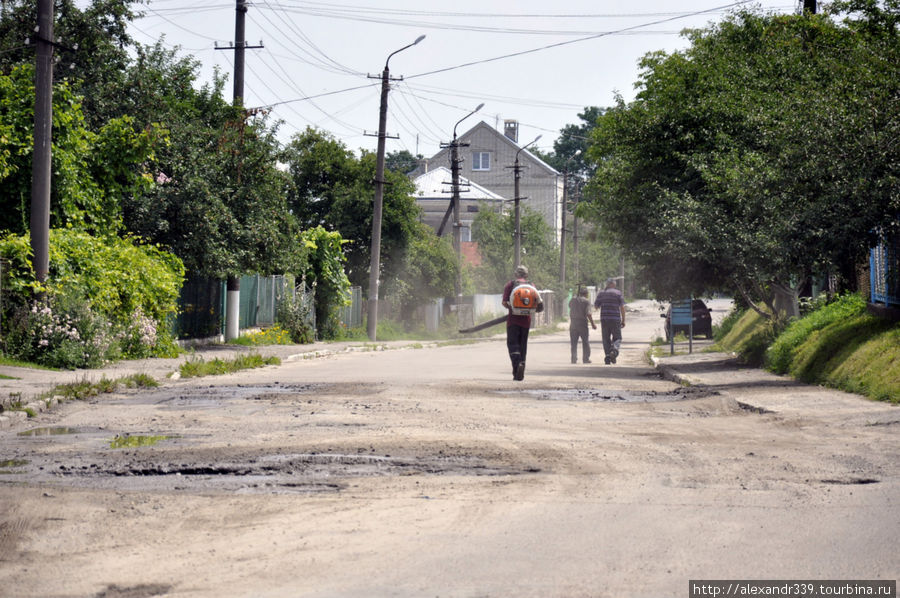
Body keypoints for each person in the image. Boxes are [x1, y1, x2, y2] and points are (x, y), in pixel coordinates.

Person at [501, 265, 543, 381]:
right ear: (526, 275)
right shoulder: (531, 286)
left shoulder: (510, 285)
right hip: (526, 322)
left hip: (512, 321)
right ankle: (521, 370)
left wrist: (512, 309)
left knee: (512, 345)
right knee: (523, 345)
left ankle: (517, 366)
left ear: (516, 275)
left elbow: (504, 302)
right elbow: (539, 305)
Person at [593, 277, 626, 365]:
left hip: (604, 319)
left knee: (606, 338)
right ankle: (614, 351)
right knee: (617, 337)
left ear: (607, 284)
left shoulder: (601, 294)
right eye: (614, 283)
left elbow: (596, 306)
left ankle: (608, 356)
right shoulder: (618, 293)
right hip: (615, 319)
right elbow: (622, 307)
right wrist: (623, 320)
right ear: (612, 284)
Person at [568, 287, 596, 364]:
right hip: (582, 323)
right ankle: (585, 358)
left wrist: (575, 299)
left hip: (573, 323)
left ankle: (573, 358)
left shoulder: (573, 299)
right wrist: (593, 324)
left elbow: (569, 306)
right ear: (586, 294)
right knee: (585, 341)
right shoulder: (586, 301)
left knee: (573, 342)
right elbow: (588, 314)